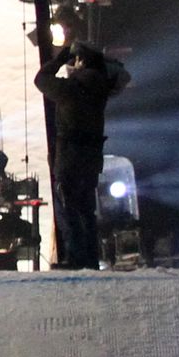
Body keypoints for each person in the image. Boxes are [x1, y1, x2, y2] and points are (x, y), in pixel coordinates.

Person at [37, 42, 129, 268]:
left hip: (70, 158)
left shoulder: (72, 88)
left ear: (82, 62)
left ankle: (76, 258)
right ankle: (89, 258)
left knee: (69, 208)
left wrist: (59, 59)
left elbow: (41, 79)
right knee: (86, 210)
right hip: (91, 158)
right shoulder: (102, 88)